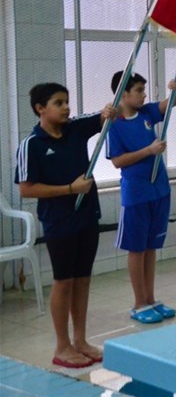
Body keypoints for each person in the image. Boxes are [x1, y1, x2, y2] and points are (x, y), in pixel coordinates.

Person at [15, 83, 115, 368]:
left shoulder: (75, 129)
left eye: (67, 101)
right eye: (58, 103)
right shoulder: (31, 145)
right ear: (40, 109)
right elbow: (26, 189)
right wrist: (70, 188)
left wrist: (110, 111)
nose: (66, 107)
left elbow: (104, 116)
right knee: (64, 281)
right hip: (59, 222)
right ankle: (62, 346)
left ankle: (80, 340)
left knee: (83, 279)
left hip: (87, 217)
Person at [107, 71, 176, 324]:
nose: (143, 95)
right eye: (138, 90)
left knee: (150, 247)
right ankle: (139, 303)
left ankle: (151, 299)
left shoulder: (146, 113)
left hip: (159, 189)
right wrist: (149, 150)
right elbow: (118, 161)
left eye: (143, 90)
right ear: (123, 94)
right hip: (136, 194)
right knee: (137, 249)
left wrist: (174, 90)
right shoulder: (114, 124)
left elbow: (170, 104)